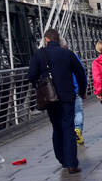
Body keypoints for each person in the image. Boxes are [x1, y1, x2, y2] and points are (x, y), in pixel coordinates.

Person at [26, 28, 87, 173]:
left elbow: (31, 75)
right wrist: (82, 90)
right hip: (67, 96)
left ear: (46, 40)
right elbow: (80, 72)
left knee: (57, 127)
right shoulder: (67, 53)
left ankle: (62, 159)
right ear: (58, 39)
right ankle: (72, 163)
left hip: (49, 97)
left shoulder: (39, 55)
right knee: (68, 127)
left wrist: (39, 86)